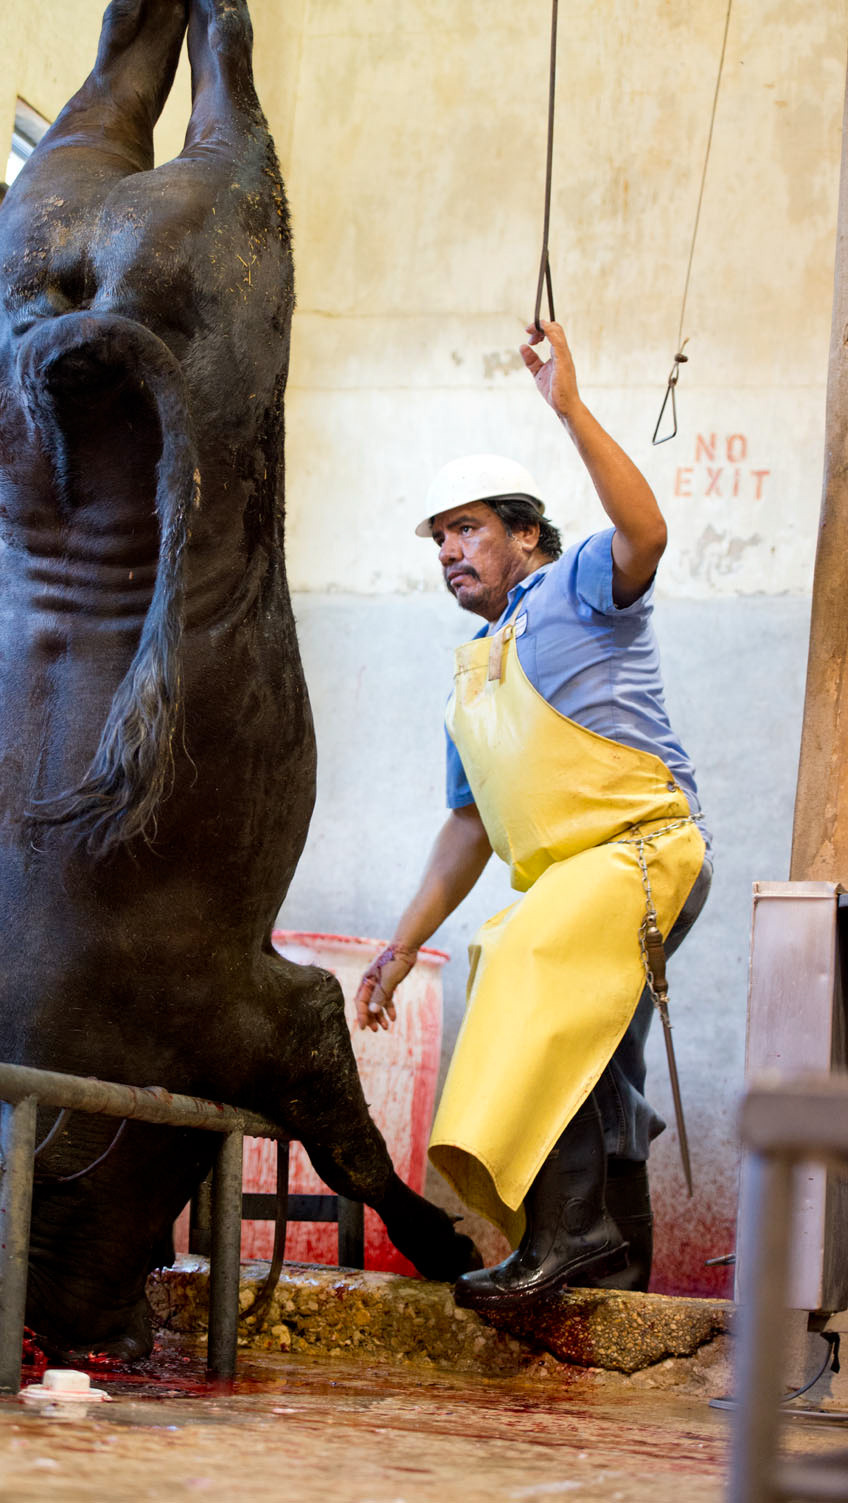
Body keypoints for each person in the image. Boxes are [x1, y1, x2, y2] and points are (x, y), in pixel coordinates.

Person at [353, 319, 712, 1313]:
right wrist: (398, 949)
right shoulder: (471, 677)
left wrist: (570, 409)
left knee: (522, 958)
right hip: (576, 881)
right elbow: (468, 829)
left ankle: (575, 1235)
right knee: (596, 1062)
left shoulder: (578, 587)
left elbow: (648, 535)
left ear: (524, 534)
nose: (449, 551)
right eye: (439, 538)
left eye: (467, 529)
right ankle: (616, 1273)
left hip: (645, 853)